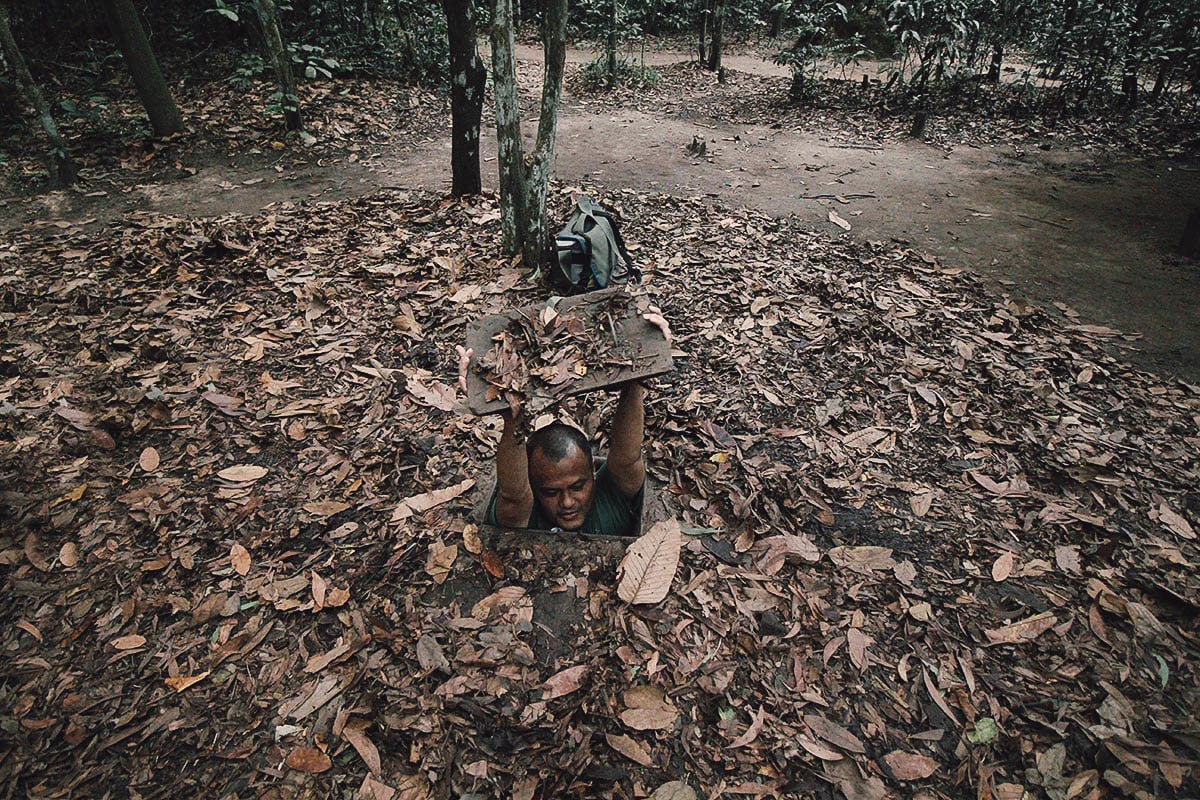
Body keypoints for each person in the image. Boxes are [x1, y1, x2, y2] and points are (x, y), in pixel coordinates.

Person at [457, 308, 669, 536]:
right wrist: (506, 408)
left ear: (593, 472)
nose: (567, 503)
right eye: (550, 492)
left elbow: (627, 458)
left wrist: (642, 365)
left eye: (578, 487)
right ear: (532, 484)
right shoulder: (522, 513)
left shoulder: (612, 495)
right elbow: (514, 496)